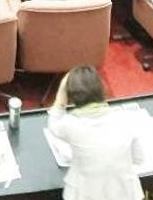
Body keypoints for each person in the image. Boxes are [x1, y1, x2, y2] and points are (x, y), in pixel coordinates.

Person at [46, 65, 145, 200]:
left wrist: (61, 97)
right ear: (101, 88)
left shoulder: (70, 125)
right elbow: (139, 159)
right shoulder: (125, 119)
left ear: (70, 95)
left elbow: (53, 124)